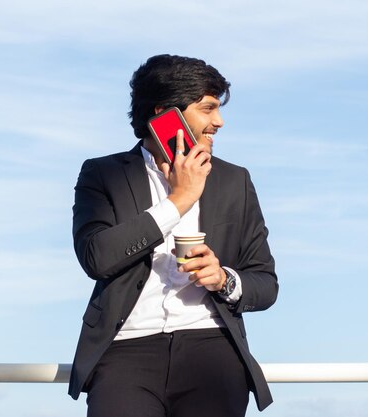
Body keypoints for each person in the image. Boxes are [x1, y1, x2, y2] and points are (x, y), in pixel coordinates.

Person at [69, 54, 279, 417]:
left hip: (211, 347)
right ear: (166, 114)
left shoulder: (235, 181)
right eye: (208, 108)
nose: (219, 121)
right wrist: (178, 201)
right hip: (125, 349)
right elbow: (96, 258)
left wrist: (224, 279)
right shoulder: (102, 174)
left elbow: (265, 283)